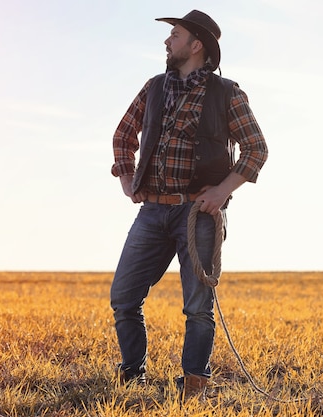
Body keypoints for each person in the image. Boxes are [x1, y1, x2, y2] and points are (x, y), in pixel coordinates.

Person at [109, 10, 268, 399]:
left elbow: (256, 150)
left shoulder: (227, 93)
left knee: (198, 307)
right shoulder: (153, 87)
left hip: (199, 214)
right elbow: (123, 136)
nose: (167, 42)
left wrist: (221, 191)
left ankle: (194, 382)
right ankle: (132, 374)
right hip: (152, 212)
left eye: (175, 35)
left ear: (196, 46)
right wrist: (128, 180)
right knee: (123, 298)